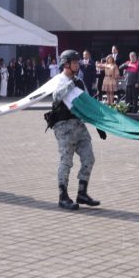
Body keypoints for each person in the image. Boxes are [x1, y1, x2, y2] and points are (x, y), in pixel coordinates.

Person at [48, 50, 99, 210]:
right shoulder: (59, 80)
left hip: (79, 126)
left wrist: (99, 123)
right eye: (74, 62)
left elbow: (88, 101)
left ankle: (82, 193)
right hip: (64, 127)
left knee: (89, 158)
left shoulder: (79, 81)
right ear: (66, 64)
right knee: (66, 161)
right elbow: (56, 97)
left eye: (78, 62)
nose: (78, 64)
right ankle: (63, 196)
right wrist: (70, 84)